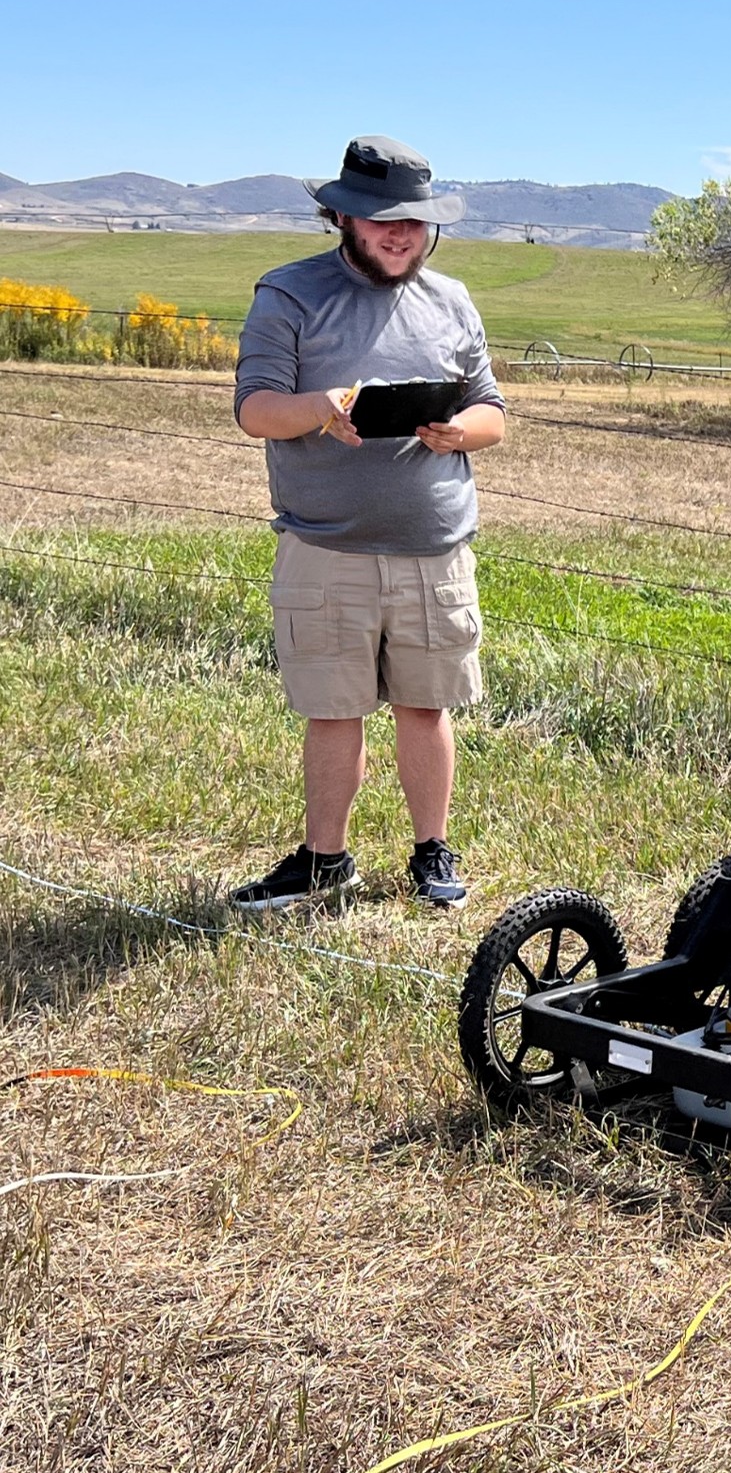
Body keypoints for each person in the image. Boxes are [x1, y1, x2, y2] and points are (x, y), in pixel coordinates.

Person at [227, 136, 507, 912]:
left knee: (426, 706)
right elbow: (256, 410)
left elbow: (492, 411)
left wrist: (460, 431)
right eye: (384, 220)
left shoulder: (451, 300)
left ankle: (432, 851)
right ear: (342, 217)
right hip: (325, 547)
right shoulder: (288, 294)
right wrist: (321, 407)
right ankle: (325, 861)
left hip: (434, 550)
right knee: (332, 711)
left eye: (414, 222)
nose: (401, 235)